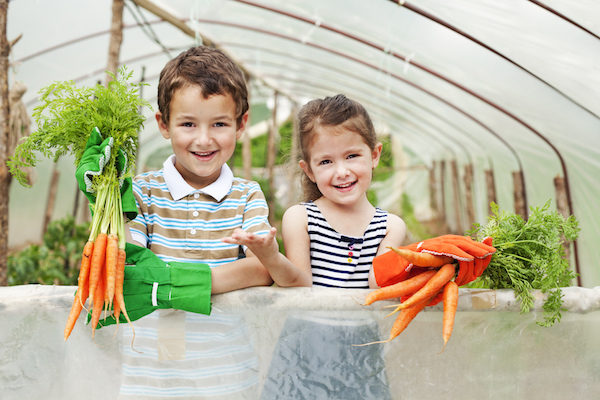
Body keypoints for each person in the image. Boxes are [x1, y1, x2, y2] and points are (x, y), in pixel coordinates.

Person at [78, 46, 274, 399]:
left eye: (219, 124)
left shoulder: (246, 193)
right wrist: (105, 197)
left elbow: (262, 269)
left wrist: (169, 282)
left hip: (226, 366)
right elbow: (131, 266)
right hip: (153, 370)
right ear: (163, 125)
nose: (203, 139)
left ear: (241, 124)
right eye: (187, 124)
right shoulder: (142, 190)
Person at [223, 94, 406, 399]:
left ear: (374, 155)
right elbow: (300, 284)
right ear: (308, 170)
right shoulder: (302, 218)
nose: (341, 171)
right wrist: (270, 256)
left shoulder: (389, 226)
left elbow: (377, 283)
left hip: (362, 344)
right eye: (325, 161)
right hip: (306, 343)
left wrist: (435, 263)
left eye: (352, 156)